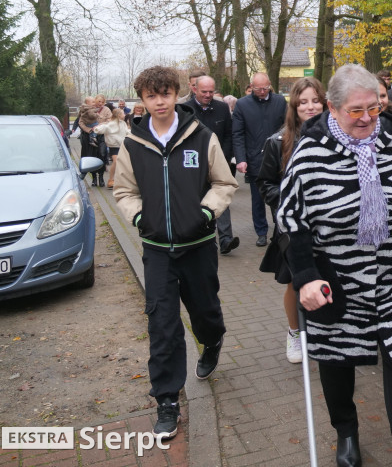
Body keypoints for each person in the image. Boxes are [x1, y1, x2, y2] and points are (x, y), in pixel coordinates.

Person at [278, 65, 392, 467]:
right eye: (355, 111)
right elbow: (291, 221)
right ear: (332, 107)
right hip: (336, 281)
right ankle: (346, 432)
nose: (366, 118)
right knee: (337, 364)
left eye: (373, 108)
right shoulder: (310, 153)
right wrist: (306, 278)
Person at [112, 66, 238, 441]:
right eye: (152, 96)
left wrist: (206, 214)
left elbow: (224, 182)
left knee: (205, 312)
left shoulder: (201, 136)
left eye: (165, 93)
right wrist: (139, 217)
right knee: (162, 326)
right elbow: (124, 191)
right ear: (142, 99)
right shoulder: (133, 144)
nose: (160, 101)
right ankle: (167, 400)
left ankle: (212, 340)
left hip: (198, 247)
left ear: (176, 94)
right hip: (157, 252)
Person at [257, 77, 327, 364]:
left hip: (327, 225)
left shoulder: (337, 137)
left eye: (316, 101)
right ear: (294, 107)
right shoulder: (278, 142)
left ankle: (325, 332)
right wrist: (289, 203)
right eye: (303, 102)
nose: (310, 107)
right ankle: (295, 332)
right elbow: (265, 183)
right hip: (293, 227)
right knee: (295, 282)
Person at [232, 73, 287, 247]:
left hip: (279, 158)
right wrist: (241, 159)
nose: (262, 92)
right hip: (255, 159)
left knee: (279, 196)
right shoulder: (242, 104)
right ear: (251, 87)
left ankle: (279, 230)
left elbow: (288, 126)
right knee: (258, 199)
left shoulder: (280, 102)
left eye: (265, 88)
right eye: (258, 89)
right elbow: (238, 134)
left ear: (270, 85)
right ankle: (261, 232)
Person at [187, 75, 240, 255]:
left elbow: (229, 134)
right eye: (204, 91)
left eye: (211, 91)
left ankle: (226, 239)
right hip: (194, 164)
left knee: (222, 197)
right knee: (197, 200)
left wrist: (224, 157)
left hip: (219, 162)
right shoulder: (185, 109)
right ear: (195, 89)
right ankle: (199, 237)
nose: (208, 95)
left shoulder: (222, 108)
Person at [94, 106, 131, 189]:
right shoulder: (110, 124)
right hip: (114, 146)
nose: (125, 115)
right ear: (118, 115)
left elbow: (127, 131)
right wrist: (98, 128)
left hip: (123, 145)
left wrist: (134, 134)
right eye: (123, 113)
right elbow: (101, 129)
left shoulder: (123, 123)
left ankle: (121, 181)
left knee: (123, 163)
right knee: (116, 161)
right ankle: (111, 180)